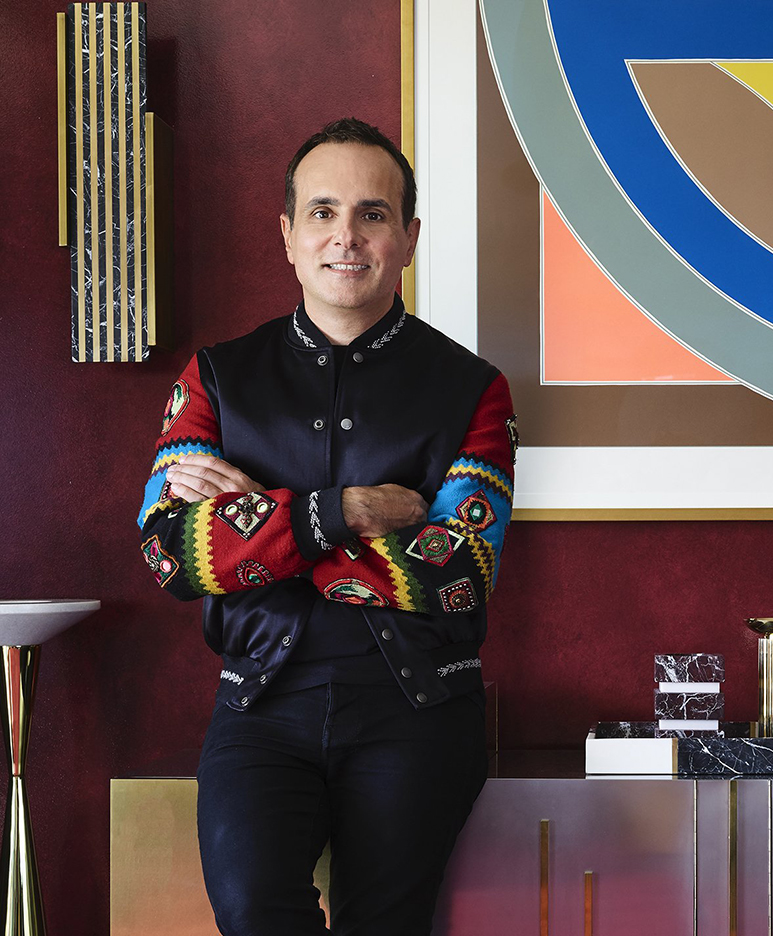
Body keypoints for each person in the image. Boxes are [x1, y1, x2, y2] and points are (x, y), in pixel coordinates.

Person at [137, 117, 515, 936]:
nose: (346, 236)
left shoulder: (474, 390)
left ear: (408, 238)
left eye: (373, 214)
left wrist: (255, 530)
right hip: (260, 707)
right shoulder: (214, 378)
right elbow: (167, 555)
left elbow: (456, 572)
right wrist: (338, 512)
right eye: (322, 211)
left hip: (416, 711)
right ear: (286, 235)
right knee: (250, 908)